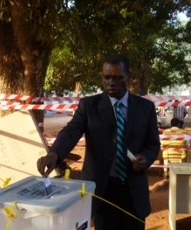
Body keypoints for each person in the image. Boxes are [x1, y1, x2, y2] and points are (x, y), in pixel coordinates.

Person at [37, 54, 160, 230]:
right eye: (107, 77)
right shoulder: (89, 106)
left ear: (128, 77)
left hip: (133, 191)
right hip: (101, 189)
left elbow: (153, 145)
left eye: (118, 78)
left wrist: (145, 159)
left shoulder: (145, 108)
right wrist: (54, 154)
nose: (111, 82)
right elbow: (71, 131)